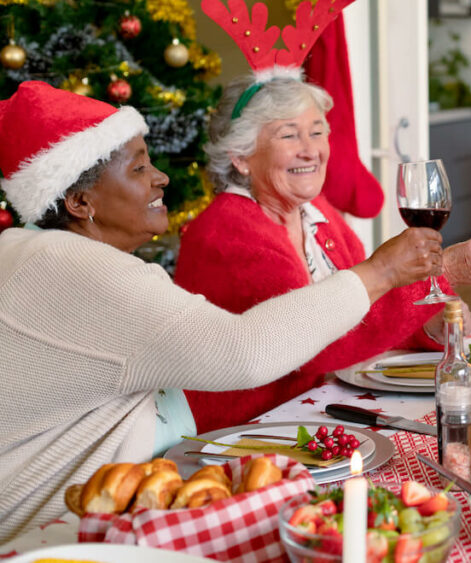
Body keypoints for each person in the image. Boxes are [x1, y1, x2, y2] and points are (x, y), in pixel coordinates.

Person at [0, 81, 442, 542]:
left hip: (108, 495)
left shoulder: (37, 253)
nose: (161, 177)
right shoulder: (77, 271)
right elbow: (245, 351)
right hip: (53, 529)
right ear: (79, 202)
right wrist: (381, 273)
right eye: (138, 168)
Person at [175, 16, 471, 433]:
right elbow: (317, 345)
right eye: (289, 135)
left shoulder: (319, 216)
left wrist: (427, 322)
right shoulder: (227, 231)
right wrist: (443, 267)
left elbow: (366, 313)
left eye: (318, 131)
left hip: (317, 413)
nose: (311, 151)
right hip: (248, 432)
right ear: (241, 156)